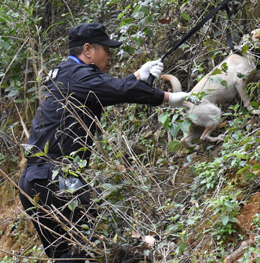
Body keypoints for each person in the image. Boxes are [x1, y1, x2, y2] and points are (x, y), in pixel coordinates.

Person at [18, 23, 188, 261]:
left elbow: (107, 89)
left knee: (69, 255)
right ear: (88, 50)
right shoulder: (76, 75)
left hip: (33, 181)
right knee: (102, 231)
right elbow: (116, 89)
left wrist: (139, 75)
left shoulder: (67, 73)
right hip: (54, 177)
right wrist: (167, 98)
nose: (110, 55)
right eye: (106, 49)